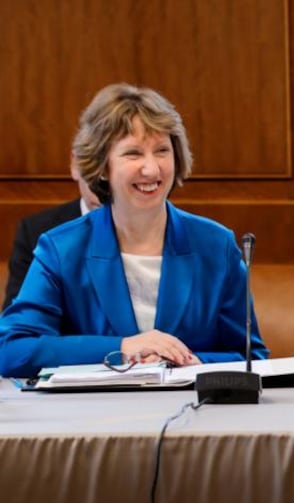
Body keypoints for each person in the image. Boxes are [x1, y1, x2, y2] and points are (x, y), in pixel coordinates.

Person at [0, 83, 269, 378]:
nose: (152, 170)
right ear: (103, 167)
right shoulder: (61, 248)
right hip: (94, 417)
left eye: (162, 151)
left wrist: (193, 362)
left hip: (191, 414)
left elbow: (250, 356)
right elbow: (12, 351)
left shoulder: (216, 244)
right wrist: (124, 347)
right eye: (133, 153)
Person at [3, 161, 102, 310]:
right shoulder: (36, 231)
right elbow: (17, 319)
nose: (101, 190)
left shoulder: (148, 225)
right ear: (75, 164)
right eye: (95, 173)